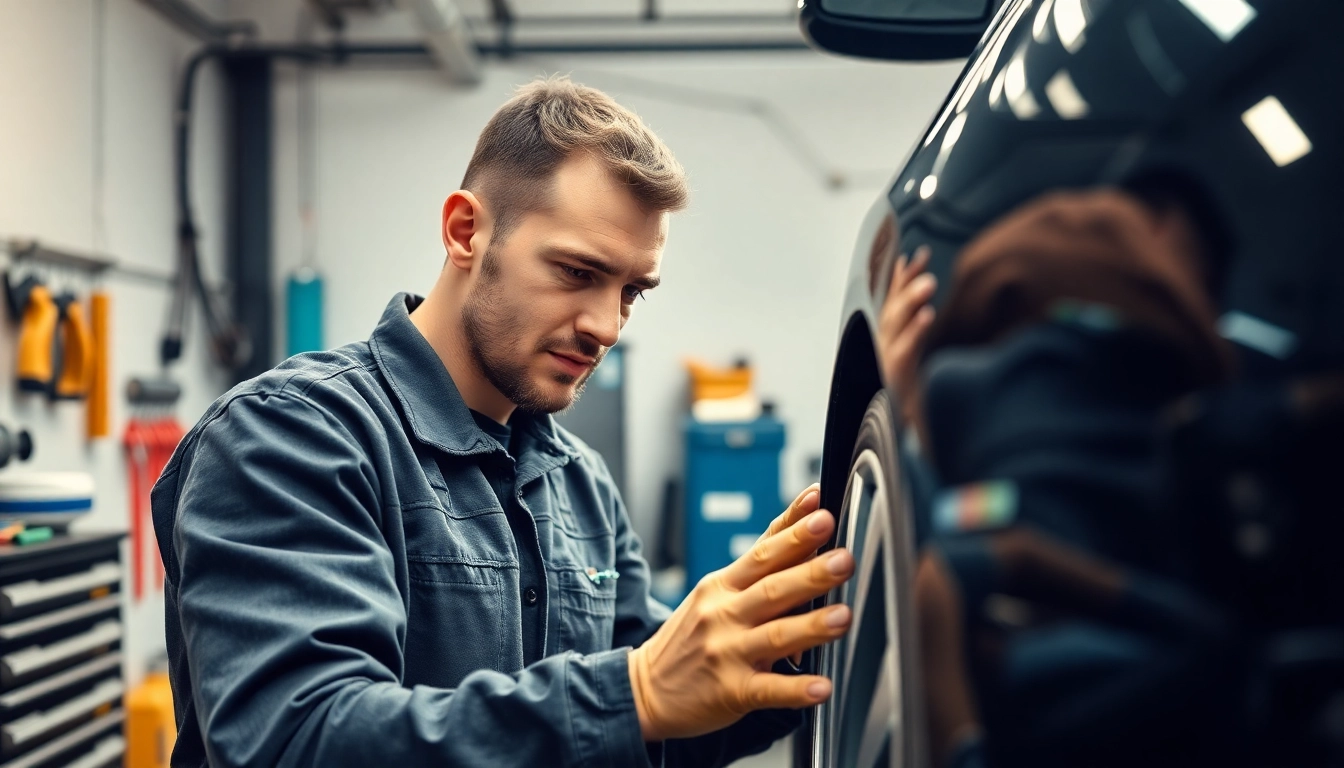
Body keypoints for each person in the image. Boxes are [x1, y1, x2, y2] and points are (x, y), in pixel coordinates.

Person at [152, 76, 855, 768]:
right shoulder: (292, 437)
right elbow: (297, 740)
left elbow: (667, 725)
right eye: (577, 272)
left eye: (632, 292)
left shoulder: (580, 485)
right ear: (466, 232)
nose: (606, 327)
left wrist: (790, 647)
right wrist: (629, 692)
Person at [877, 190, 1241, 767]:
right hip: (1014, 616)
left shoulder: (954, 383)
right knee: (1226, 651)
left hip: (990, 611)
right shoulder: (1184, 396)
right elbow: (942, 577)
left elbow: (943, 572)